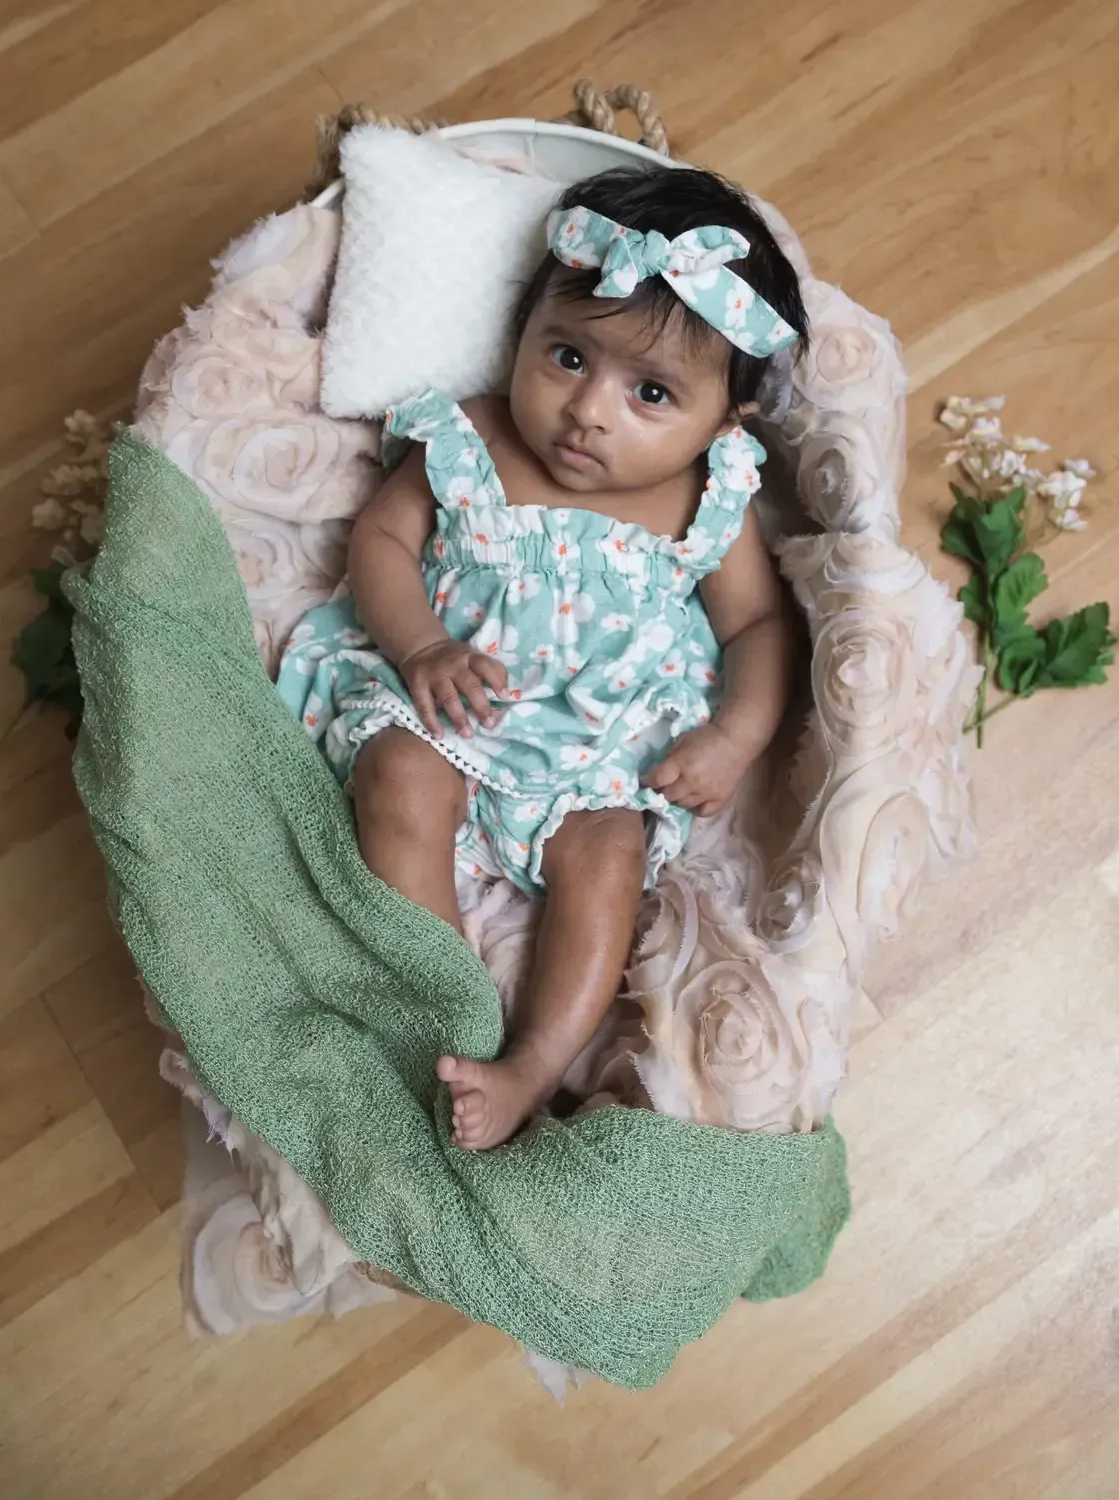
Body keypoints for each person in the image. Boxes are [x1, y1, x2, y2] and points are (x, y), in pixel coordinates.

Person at [278, 165, 809, 1149]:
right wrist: (422, 645)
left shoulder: (709, 499)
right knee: (399, 774)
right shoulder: (470, 436)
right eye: (567, 356)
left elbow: (760, 631)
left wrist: (735, 736)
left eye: (651, 392)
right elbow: (383, 545)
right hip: (448, 702)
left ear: (721, 422)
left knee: (608, 853)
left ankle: (531, 1064)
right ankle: (436, 1009)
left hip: (595, 752)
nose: (589, 411)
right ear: (520, 332)